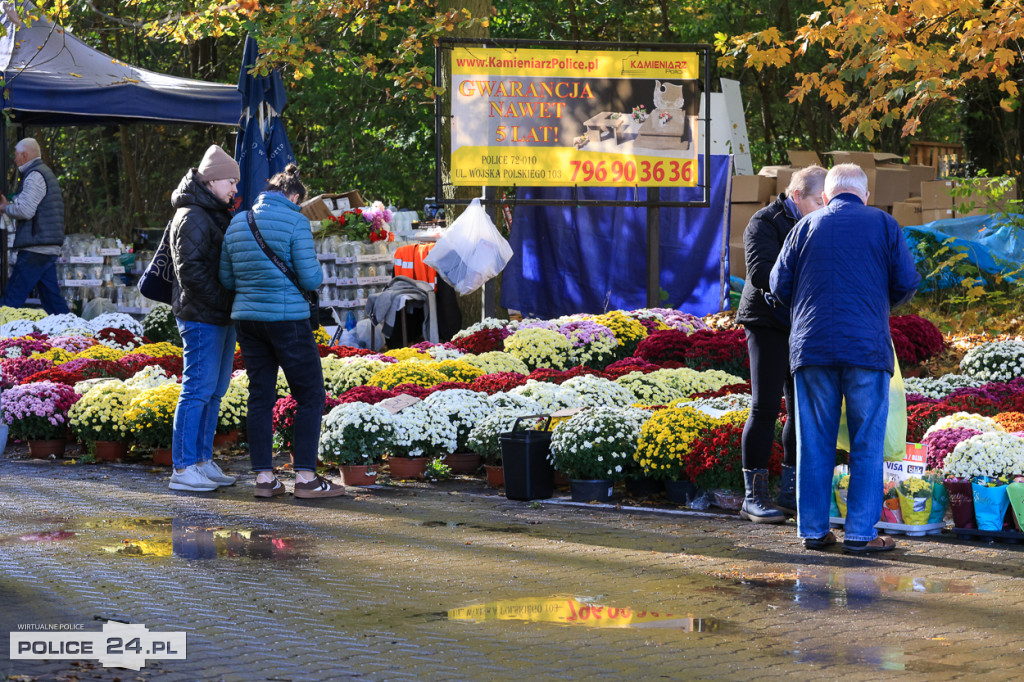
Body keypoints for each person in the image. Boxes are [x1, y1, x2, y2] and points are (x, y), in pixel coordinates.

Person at [770, 163, 919, 553]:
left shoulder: (804, 227)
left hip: (812, 348)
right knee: (866, 442)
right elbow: (907, 281)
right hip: (866, 350)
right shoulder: (884, 224)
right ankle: (859, 535)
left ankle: (814, 531)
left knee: (814, 442)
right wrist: (877, 304)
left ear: (825, 196)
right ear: (865, 194)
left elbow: (777, 284)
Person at [219, 163, 342, 499]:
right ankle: (305, 478)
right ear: (293, 195)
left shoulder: (237, 223)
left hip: (248, 320)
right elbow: (311, 279)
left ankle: (263, 479)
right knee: (310, 394)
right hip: (288, 321)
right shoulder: (296, 221)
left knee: (260, 395)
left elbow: (227, 279)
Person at [735, 165, 828, 523]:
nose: (823, 208)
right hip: (766, 322)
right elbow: (761, 274)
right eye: (817, 201)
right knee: (766, 406)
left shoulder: (818, 222)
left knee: (800, 408)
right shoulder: (765, 221)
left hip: (801, 322)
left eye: (827, 201)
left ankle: (791, 490)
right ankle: (753, 496)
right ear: (796, 196)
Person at [167, 144, 240, 492]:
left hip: (220, 315)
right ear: (211, 180)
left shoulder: (212, 210)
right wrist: (226, 301)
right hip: (201, 316)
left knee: (214, 392)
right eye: (231, 182)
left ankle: (202, 460)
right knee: (197, 390)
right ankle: (182, 468)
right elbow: (191, 274)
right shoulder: (192, 215)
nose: (235, 190)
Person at [0, 138, 70, 313]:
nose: (15, 160)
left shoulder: (34, 175)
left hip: (36, 247)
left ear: (24, 155)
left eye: (16, 155)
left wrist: (4, 207)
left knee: (11, 298)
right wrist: (9, 204)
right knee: (52, 301)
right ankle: (73, 334)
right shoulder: (44, 173)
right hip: (46, 246)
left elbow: (25, 210)